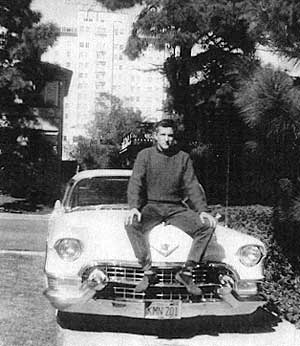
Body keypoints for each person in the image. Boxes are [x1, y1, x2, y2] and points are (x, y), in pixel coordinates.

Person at [124, 119, 216, 295]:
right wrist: (134, 207)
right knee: (131, 223)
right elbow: (136, 182)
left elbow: (192, 185)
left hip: (175, 208)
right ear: (155, 136)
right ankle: (148, 271)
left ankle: (187, 272)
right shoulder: (145, 155)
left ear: (174, 137)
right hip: (152, 206)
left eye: (170, 135)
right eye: (163, 135)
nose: (167, 139)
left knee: (206, 226)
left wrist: (203, 210)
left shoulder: (183, 158)